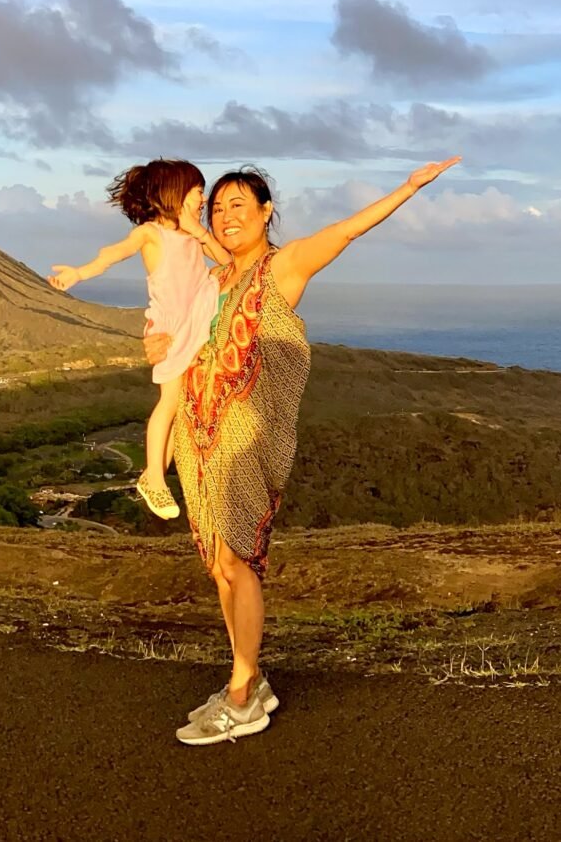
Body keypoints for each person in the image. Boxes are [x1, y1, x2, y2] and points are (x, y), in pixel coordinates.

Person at [172, 157, 460, 747]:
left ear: (265, 212)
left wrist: (407, 188)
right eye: (217, 208)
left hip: (245, 438)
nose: (226, 217)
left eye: (239, 206)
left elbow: (347, 231)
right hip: (197, 438)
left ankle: (241, 694)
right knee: (221, 566)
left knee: (239, 561)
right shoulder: (213, 279)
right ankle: (248, 679)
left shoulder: (284, 266)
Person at [48, 159, 227, 520]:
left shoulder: (193, 235)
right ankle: (156, 478)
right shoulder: (151, 234)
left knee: (184, 408)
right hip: (172, 331)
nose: (203, 200)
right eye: (197, 192)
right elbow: (113, 254)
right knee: (170, 402)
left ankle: (152, 476)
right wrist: (80, 273)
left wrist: (199, 231)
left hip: (200, 324)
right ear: (173, 193)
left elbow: (228, 262)